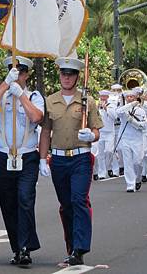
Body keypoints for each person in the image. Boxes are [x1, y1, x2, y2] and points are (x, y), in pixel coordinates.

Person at [38, 55, 102, 267]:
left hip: (80, 158)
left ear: (77, 77)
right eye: (64, 74)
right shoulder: (51, 101)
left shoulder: (87, 101)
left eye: (71, 74)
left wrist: (91, 136)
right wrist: (41, 158)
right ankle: (72, 246)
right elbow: (46, 131)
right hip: (58, 159)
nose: (67, 78)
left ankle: (80, 248)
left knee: (78, 200)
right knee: (66, 205)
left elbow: (96, 130)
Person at [0, 56, 44, 265]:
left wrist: (21, 95)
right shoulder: (1, 94)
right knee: (8, 203)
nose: (18, 75)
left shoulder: (34, 95)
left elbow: (37, 117)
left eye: (21, 71)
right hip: (3, 155)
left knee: (25, 198)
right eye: (14, 71)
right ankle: (17, 246)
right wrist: (6, 84)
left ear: (27, 74)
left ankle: (24, 248)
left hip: (27, 155)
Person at [115, 90, 147, 192]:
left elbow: (143, 126)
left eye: (132, 97)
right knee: (127, 162)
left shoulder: (141, 111)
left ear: (135, 98)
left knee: (138, 162)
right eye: (127, 97)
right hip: (125, 139)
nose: (129, 98)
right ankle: (130, 184)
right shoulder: (123, 110)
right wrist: (129, 105)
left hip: (137, 140)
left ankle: (137, 179)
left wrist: (132, 121)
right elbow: (118, 112)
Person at [96, 90, 118, 179]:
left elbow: (114, 117)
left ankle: (114, 169)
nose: (102, 98)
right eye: (101, 97)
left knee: (109, 151)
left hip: (109, 132)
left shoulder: (112, 106)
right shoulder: (97, 106)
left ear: (108, 97)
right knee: (100, 154)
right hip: (101, 132)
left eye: (104, 97)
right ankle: (102, 173)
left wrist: (106, 108)